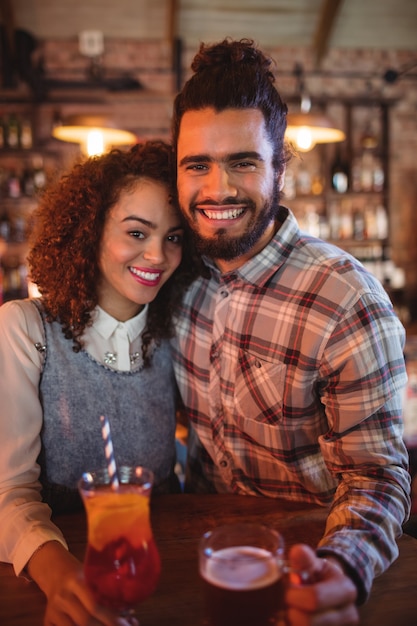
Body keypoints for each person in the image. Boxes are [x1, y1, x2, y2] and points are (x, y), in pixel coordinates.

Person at [171, 38, 411, 625]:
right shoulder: (172, 283)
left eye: (243, 163)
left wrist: (344, 565)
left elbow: (376, 475)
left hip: (305, 567)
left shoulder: (346, 298)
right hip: (198, 565)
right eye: (196, 164)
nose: (217, 189)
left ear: (281, 168)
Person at [0, 140, 195, 626]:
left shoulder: (175, 334)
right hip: (59, 580)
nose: (158, 254)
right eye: (136, 232)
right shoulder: (26, 328)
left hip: (163, 572)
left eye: (173, 237)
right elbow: (8, 490)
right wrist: (56, 571)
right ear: (89, 233)